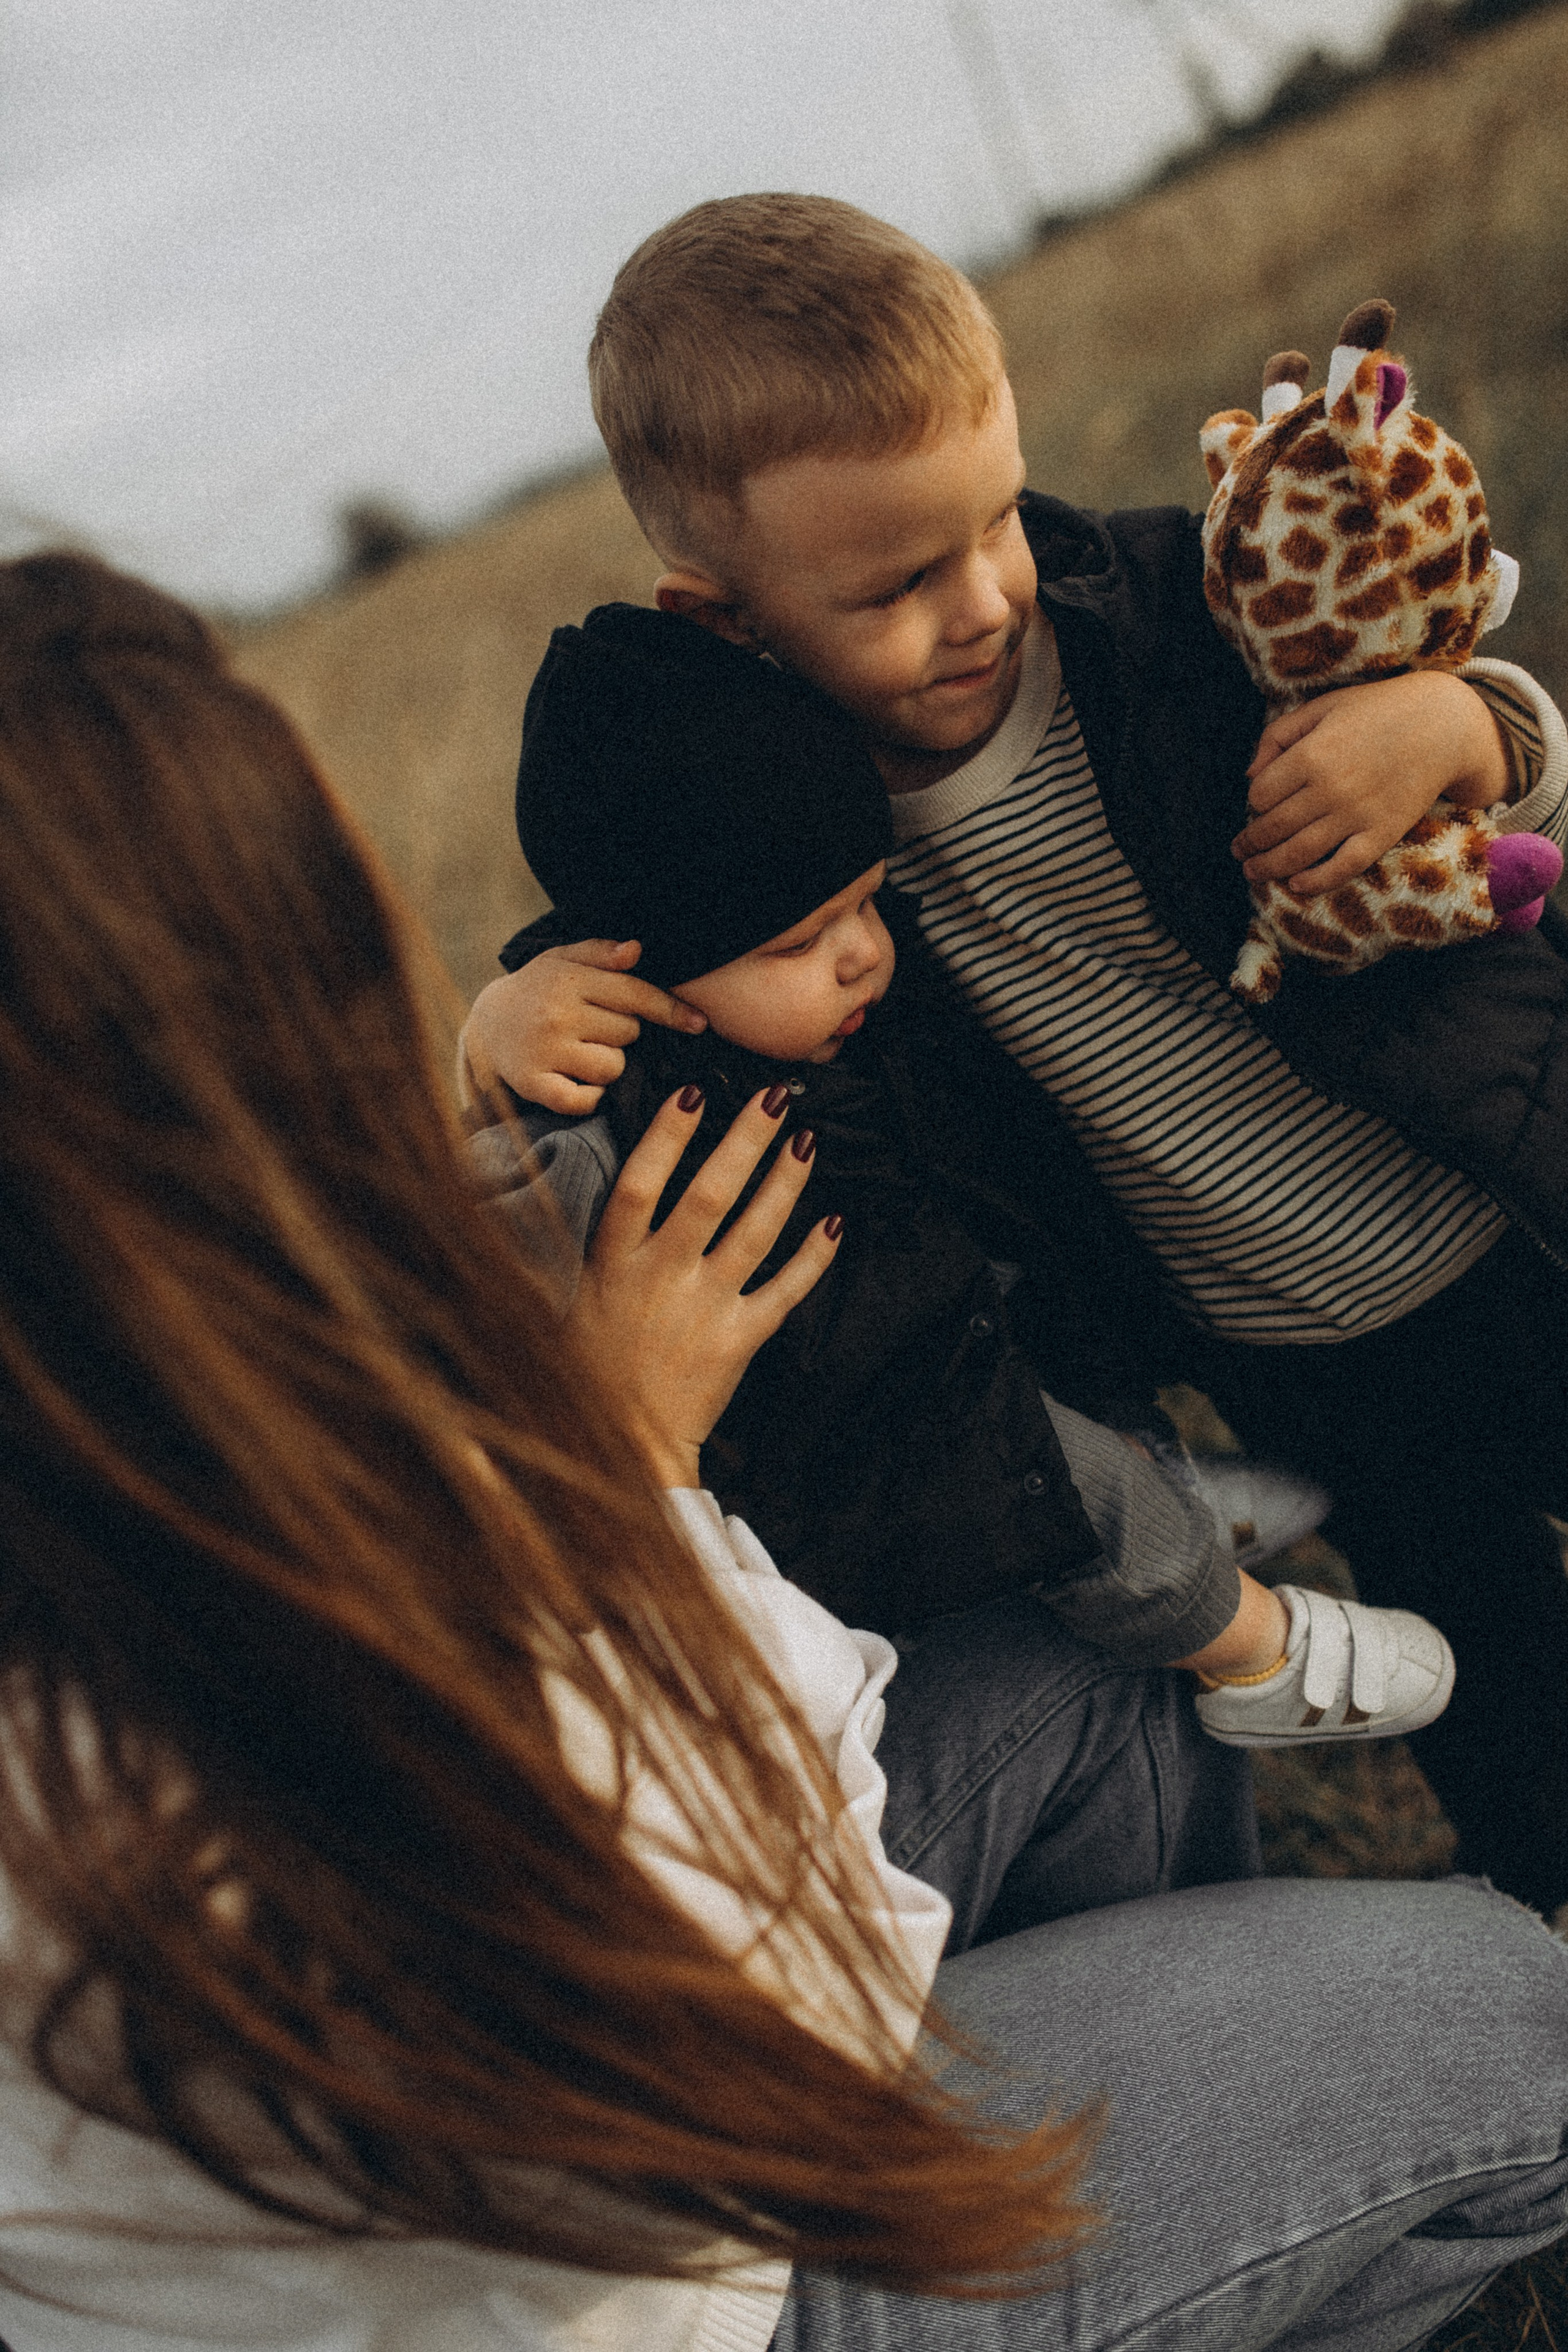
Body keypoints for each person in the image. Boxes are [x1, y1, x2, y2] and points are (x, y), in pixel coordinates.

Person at [2, 556, 1568, 2351]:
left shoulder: (122, 1395)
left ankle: (1212, 2161)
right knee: (1511, 2016)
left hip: (591, 2097)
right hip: (671, 2270)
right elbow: (721, 2062)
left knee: (1082, 1671)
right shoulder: (109, 1699)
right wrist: (635, 1474)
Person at [464, 192, 1568, 1918]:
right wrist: (510, 1006)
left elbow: (1475, 746)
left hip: (1503, 1191)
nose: (982, 598)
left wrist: (1468, 729)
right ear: (729, 623)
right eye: (897, 584)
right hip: (1265, 1333)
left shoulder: (1172, 616)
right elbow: (655, 927)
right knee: (1495, 1650)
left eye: (991, 520)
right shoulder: (777, 815)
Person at [473, 594, 1451, 1752]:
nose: (858, 956)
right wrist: (490, 1067)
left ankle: (1167, 1500)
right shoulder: (596, 1111)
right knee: (1034, 1466)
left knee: (1048, 1327)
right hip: (850, 1441)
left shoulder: (807, 1015)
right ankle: (1255, 1658)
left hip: (940, 1322)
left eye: (864, 904)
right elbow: (484, 1282)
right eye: (795, 943)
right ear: (640, 966)